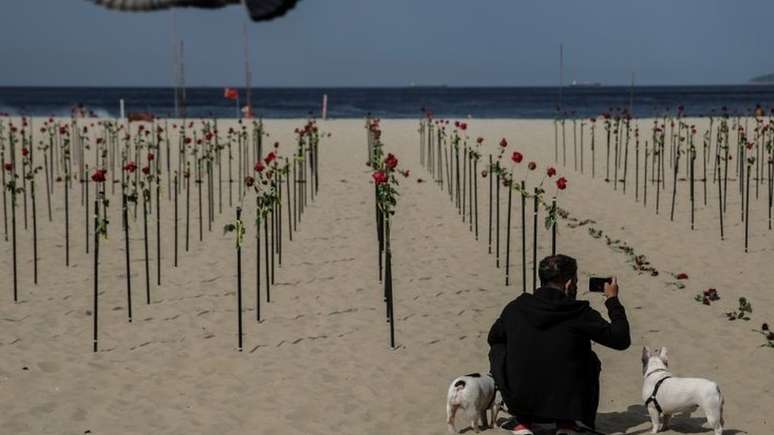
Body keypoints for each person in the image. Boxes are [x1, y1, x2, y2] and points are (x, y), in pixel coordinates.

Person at [487, 255, 630, 435]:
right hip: (567, 405)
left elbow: (494, 338)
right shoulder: (578, 312)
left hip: (521, 401)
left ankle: (525, 419)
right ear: (569, 284)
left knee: (499, 348)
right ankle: (569, 422)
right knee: (591, 360)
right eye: (576, 281)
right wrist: (612, 300)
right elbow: (621, 339)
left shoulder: (515, 308)